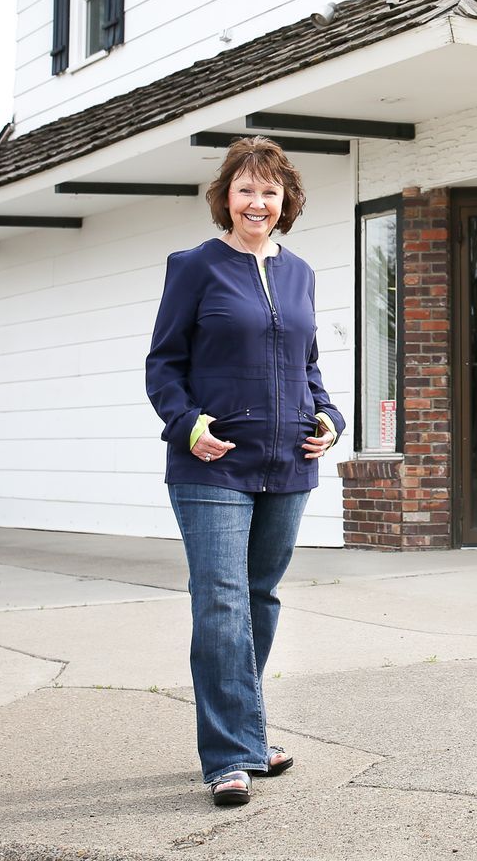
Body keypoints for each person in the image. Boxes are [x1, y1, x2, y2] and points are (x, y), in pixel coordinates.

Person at [145, 136, 345, 807]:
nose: (258, 202)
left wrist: (327, 417)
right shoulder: (194, 267)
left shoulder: (301, 274)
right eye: (246, 190)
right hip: (212, 463)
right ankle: (230, 756)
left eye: (270, 190)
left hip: (287, 462)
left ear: (285, 199)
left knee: (259, 600)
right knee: (223, 604)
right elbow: (164, 364)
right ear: (225, 198)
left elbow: (308, 364)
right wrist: (187, 424)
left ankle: (248, 735)